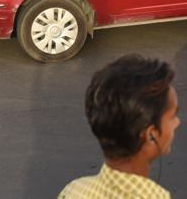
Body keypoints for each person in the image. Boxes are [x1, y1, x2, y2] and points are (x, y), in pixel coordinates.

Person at [59, 55, 179, 199]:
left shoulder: (74, 190)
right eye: (172, 116)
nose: (177, 122)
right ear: (151, 136)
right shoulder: (157, 197)